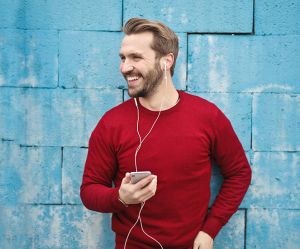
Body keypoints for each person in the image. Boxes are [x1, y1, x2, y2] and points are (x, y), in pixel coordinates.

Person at [80, 17, 252, 249]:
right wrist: (120, 198)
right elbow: (89, 190)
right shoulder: (111, 124)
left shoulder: (207, 116)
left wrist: (209, 230)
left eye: (136, 57)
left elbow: (239, 173)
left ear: (166, 61)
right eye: (123, 58)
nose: (124, 67)